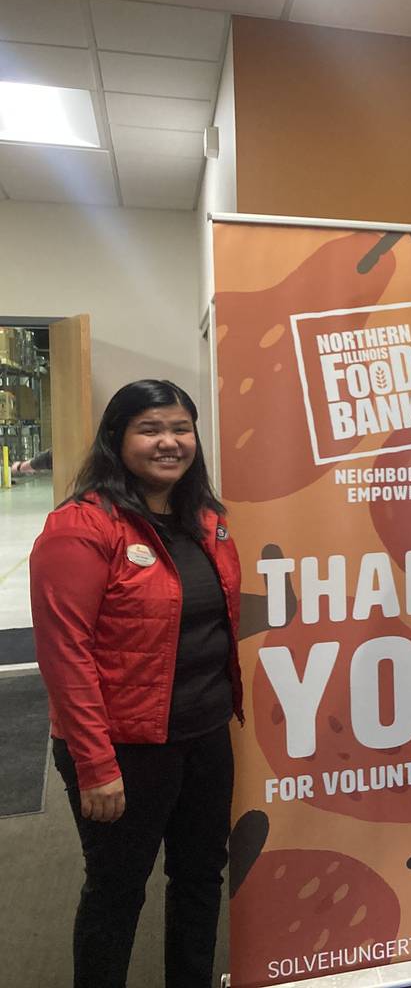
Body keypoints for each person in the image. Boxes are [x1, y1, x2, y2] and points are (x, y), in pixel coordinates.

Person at [30, 380, 242, 988]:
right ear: (117, 438)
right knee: (117, 892)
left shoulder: (206, 519)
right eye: (150, 429)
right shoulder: (81, 528)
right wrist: (95, 764)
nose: (169, 442)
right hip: (121, 745)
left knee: (201, 876)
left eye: (181, 429)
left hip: (203, 733)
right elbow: (64, 654)